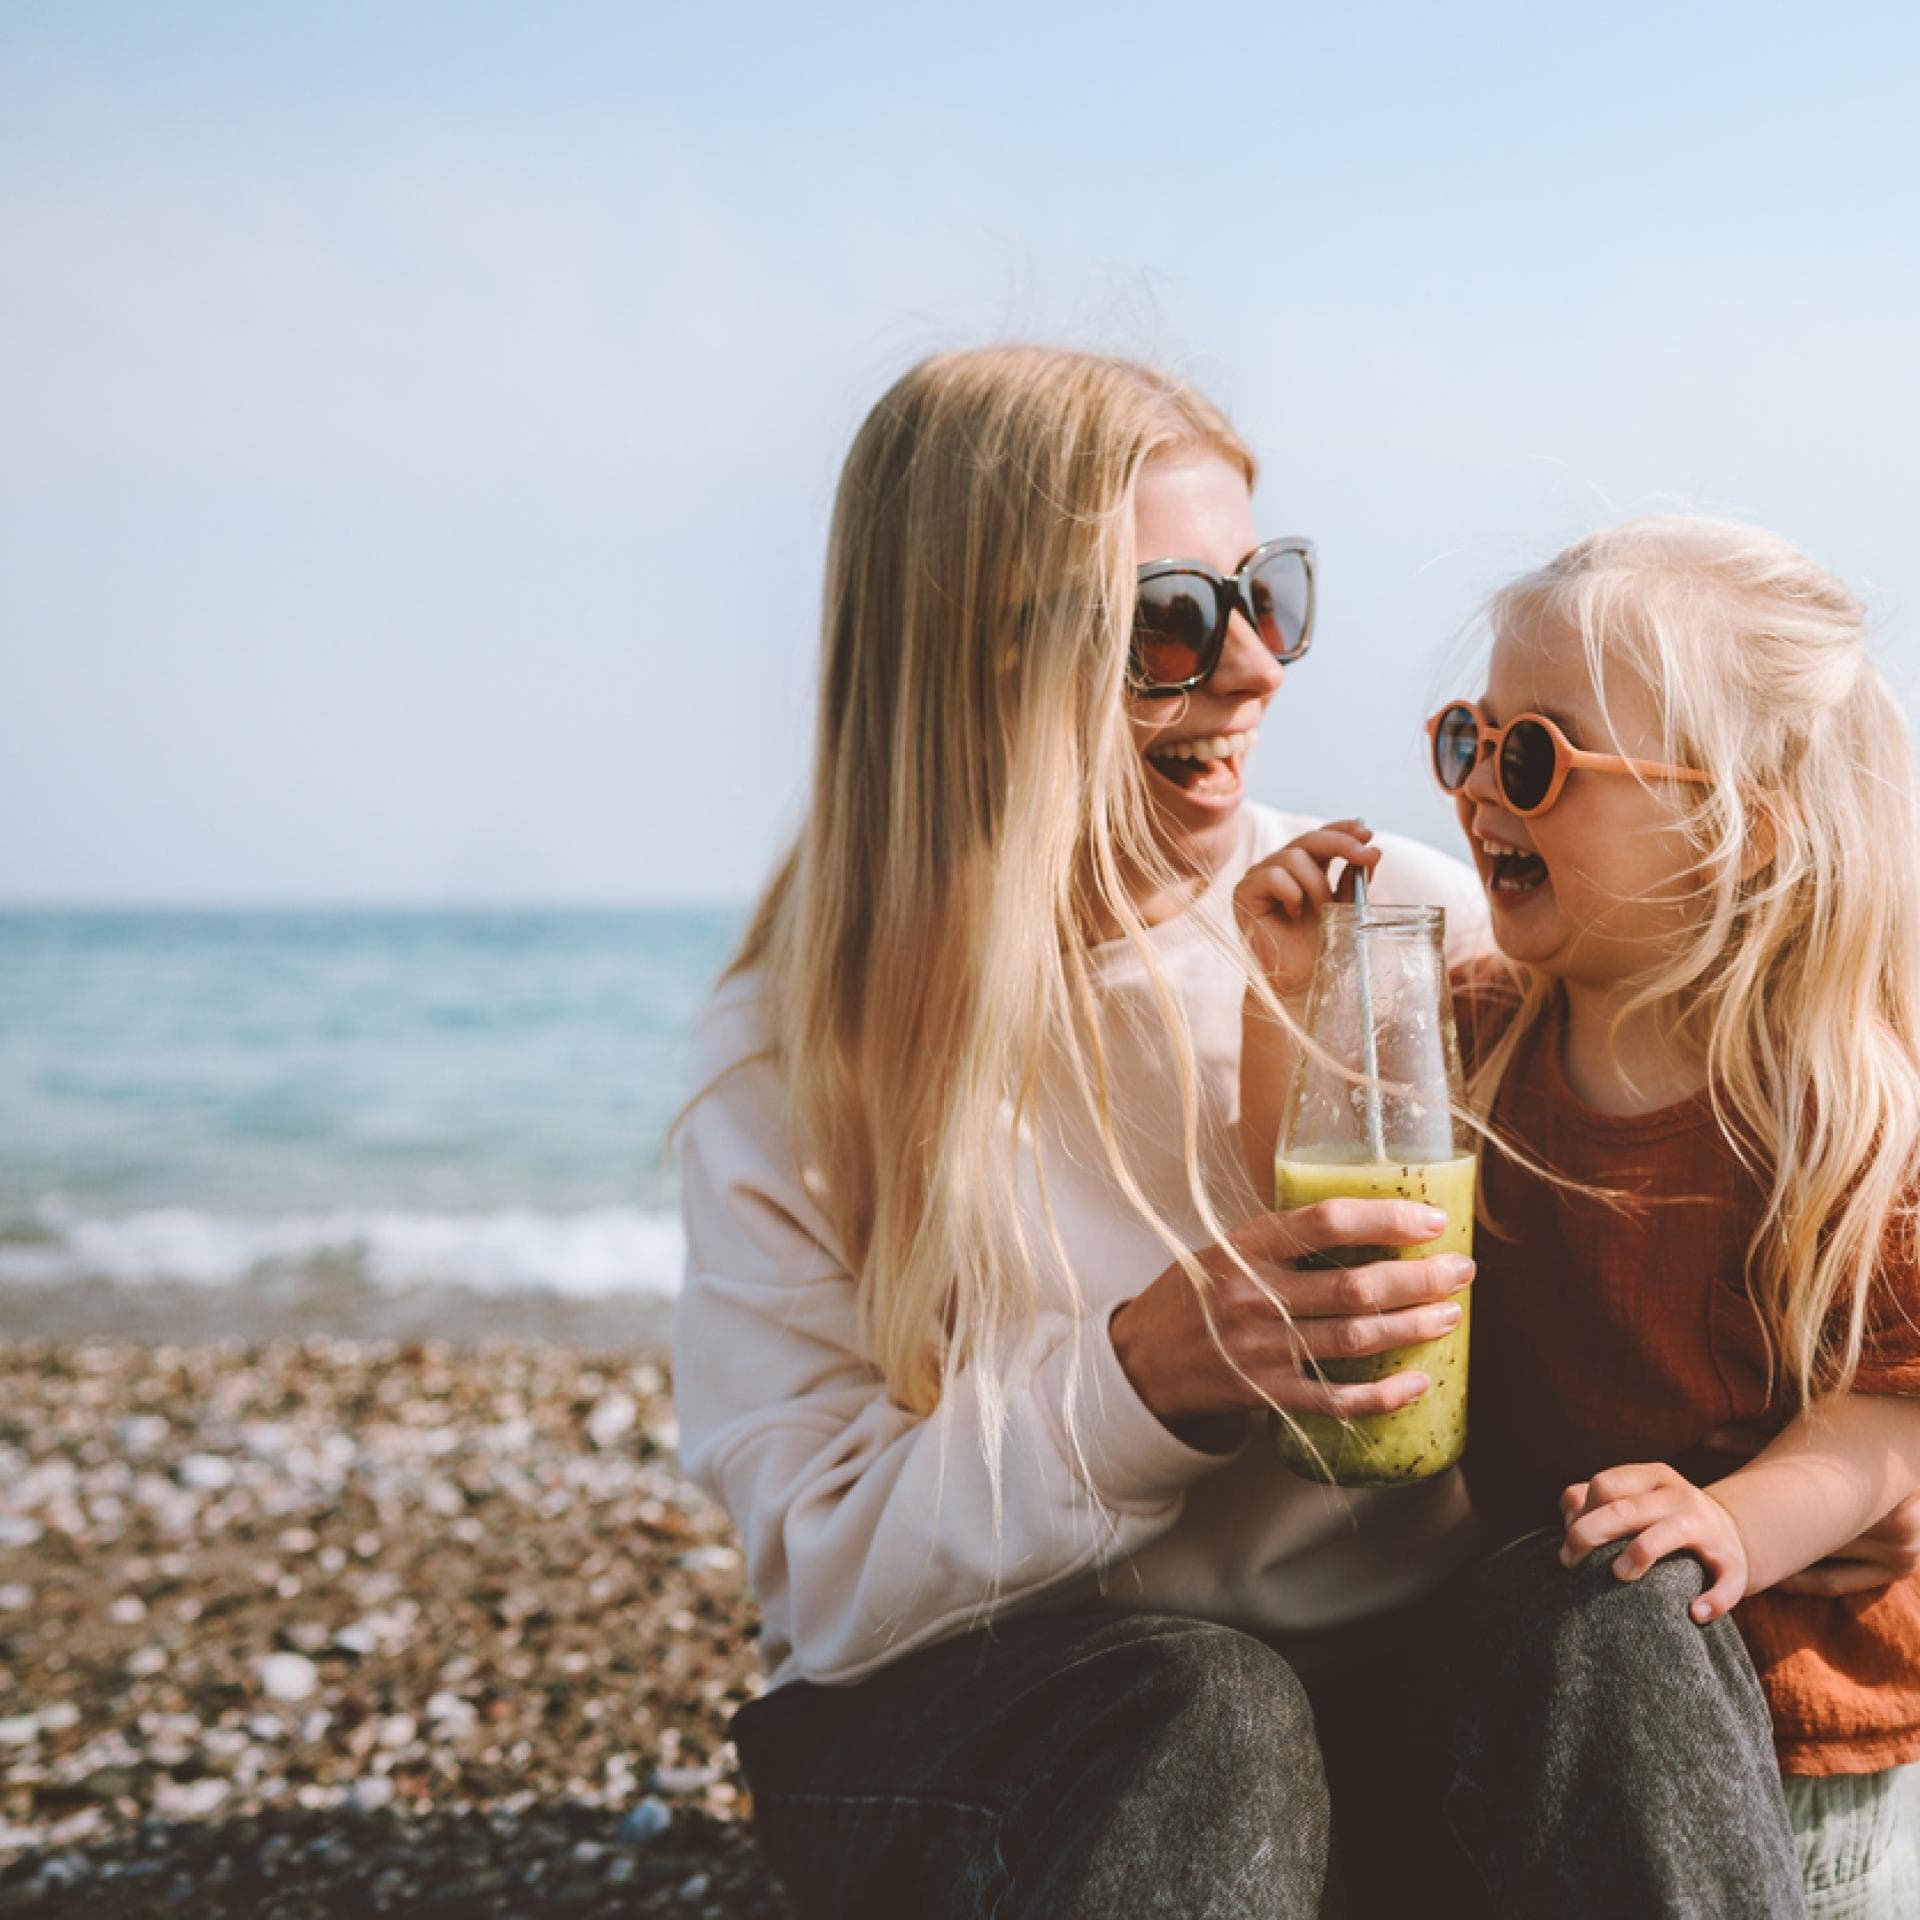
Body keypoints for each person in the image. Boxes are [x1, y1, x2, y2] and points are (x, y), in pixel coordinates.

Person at [672, 348, 1842, 1916]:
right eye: (1171, 621)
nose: (1257, 673)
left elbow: (1753, 1155)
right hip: (1028, 1738)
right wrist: (1143, 1372)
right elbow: (824, 1582)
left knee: (1627, 1610)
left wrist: (1797, 1484)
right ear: (971, 659)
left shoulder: (1404, 931)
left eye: (1267, 597)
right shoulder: (797, 1055)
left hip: (1407, 1711)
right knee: (1208, 1707)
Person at [1239, 515, 1920, 1916]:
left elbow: (1885, 1419)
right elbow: (1340, 1221)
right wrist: (1301, 997)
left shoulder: (1842, 1107)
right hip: (1544, 1682)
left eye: (1537, 758)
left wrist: (1732, 1522)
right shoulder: (1482, 1036)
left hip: (1802, 1732)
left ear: (1739, 825)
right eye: (1467, 743)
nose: (1483, 790)